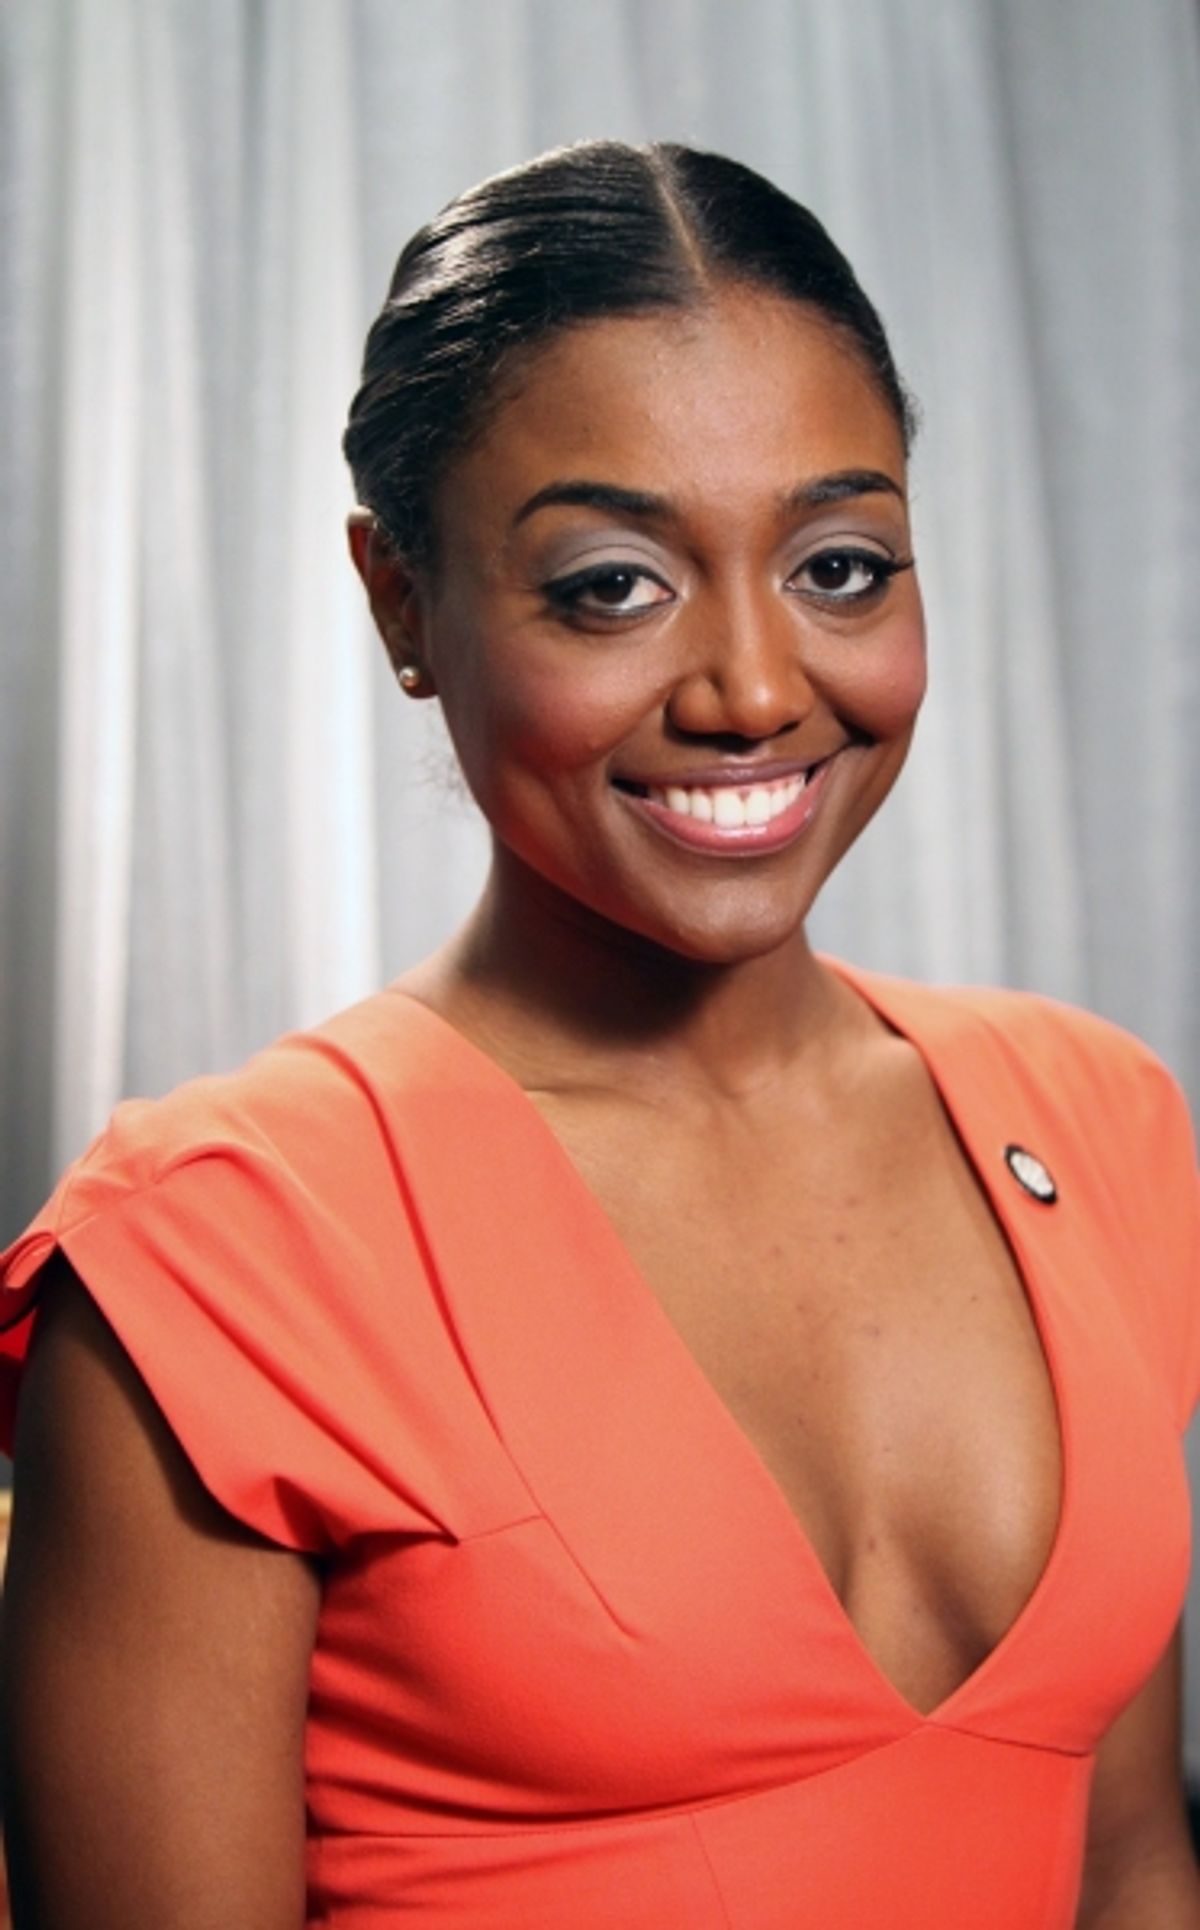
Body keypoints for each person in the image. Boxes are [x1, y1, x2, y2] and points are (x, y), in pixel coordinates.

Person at [1, 140, 1198, 1930]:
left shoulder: (1095, 1119)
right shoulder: (221, 1255)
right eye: (612, 585)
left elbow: (1130, 1861)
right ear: (402, 603)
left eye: (842, 565)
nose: (756, 689)